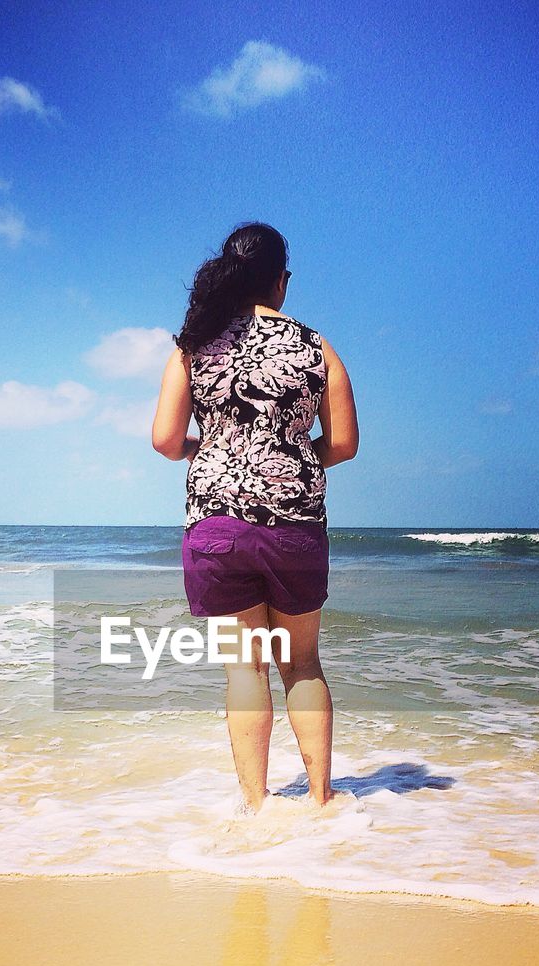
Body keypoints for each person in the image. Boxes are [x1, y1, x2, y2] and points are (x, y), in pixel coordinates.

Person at [151, 221, 360, 812]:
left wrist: (211, 450)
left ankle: (255, 806)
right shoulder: (317, 347)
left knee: (245, 667)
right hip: (294, 524)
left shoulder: (194, 345)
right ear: (281, 281)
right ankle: (321, 798)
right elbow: (342, 444)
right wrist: (289, 455)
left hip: (216, 525)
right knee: (301, 662)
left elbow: (166, 440)